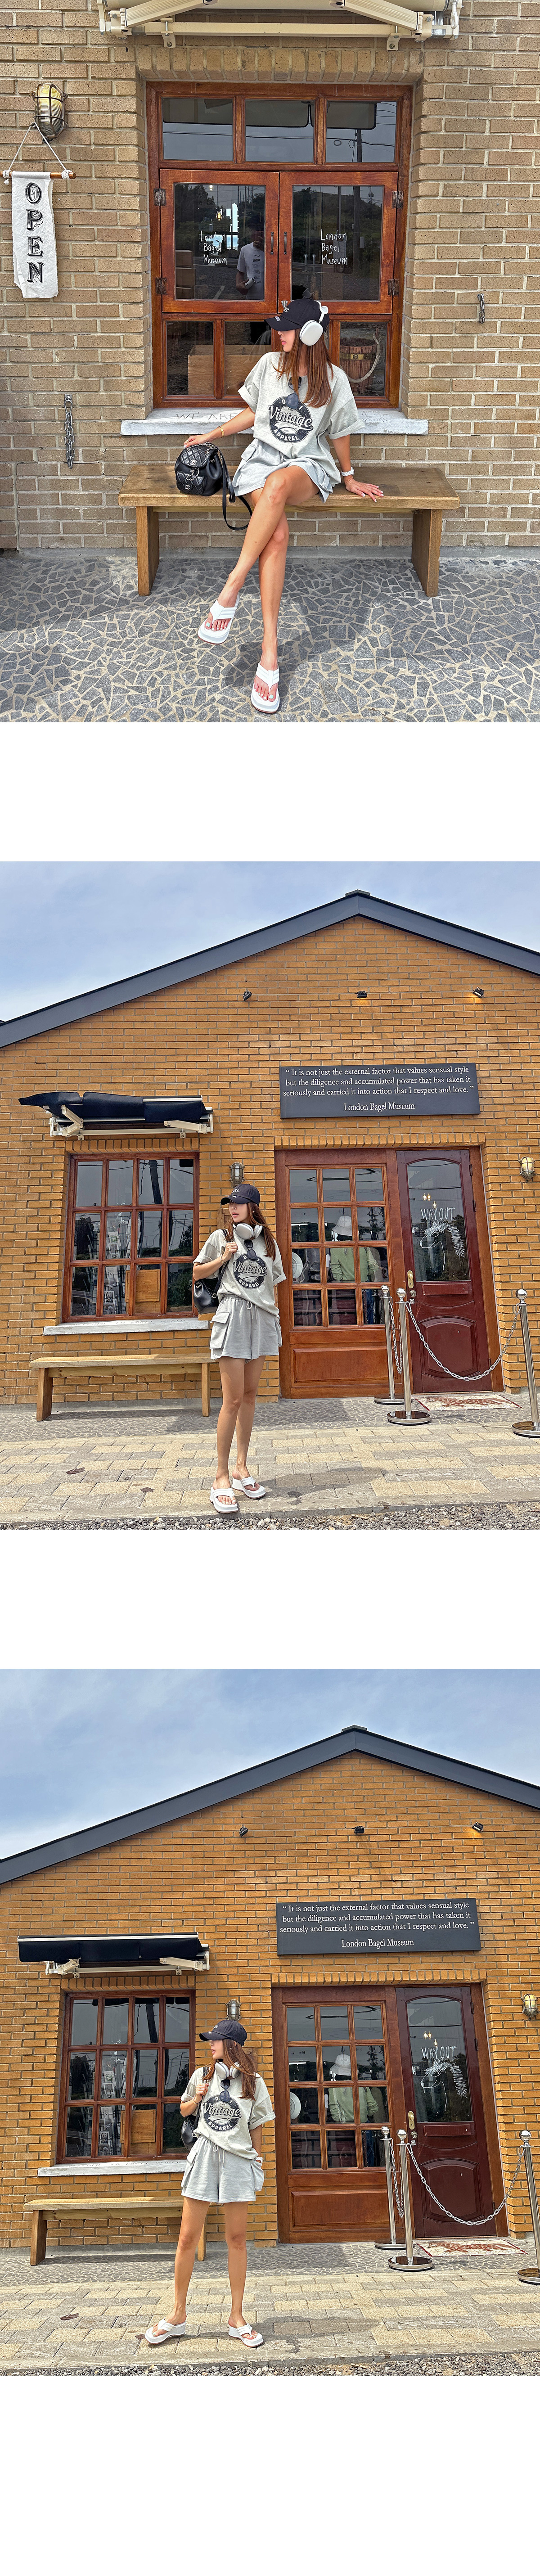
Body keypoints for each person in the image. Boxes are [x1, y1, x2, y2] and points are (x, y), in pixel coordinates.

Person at [189, 294, 383, 712]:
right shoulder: (269, 366)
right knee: (276, 535)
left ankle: (231, 588)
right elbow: (253, 413)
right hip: (261, 462)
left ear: (310, 334)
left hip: (305, 467)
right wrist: (212, 435)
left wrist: (349, 477)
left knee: (278, 486)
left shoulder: (333, 380)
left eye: (287, 329)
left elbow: (340, 432)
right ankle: (270, 651)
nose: (279, 334)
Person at [145, 2018, 274, 2352]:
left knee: (237, 2240)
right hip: (204, 2156)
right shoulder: (202, 2075)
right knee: (187, 2238)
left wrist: (257, 2162)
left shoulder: (254, 2082)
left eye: (215, 2040)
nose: (211, 2045)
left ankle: (237, 2317)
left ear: (231, 2045)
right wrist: (198, 2098)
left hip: (237, 2161)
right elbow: (183, 2110)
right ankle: (177, 2315)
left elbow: (257, 2126)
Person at [193, 1178, 285, 1513]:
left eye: (238, 1203)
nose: (232, 1208)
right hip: (232, 1316)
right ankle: (220, 1478)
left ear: (252, 1208)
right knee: (231, 1400)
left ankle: (241, 1468)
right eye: (230, 1204)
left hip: (261, 1318)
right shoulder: (222, 1237)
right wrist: (223, 1259)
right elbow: (196, 1273)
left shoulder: (268, 1243)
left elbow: (273, 1282)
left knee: (249, 1396)